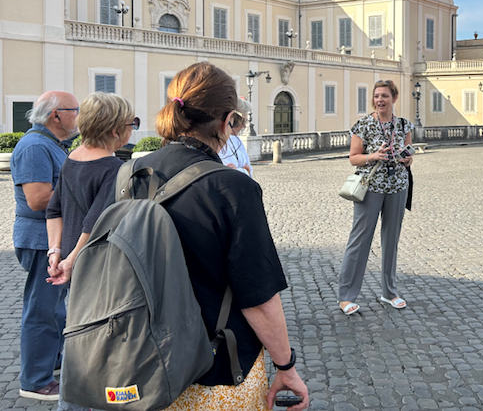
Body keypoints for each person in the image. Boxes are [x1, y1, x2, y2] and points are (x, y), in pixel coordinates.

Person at [119, 62, 308, 410]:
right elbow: (259, 297)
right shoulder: (233, 188)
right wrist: (286, 366)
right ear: (226, 122)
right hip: (214, 367)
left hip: (142, 361)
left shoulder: (130, 174)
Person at [44, 92, 137, 411]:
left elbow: (53, 209)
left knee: (77, 335)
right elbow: (94, 223)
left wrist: (55, 253)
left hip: (74, 268)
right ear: (114, 130)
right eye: (131, 124)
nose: (131, 131)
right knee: (98, 346)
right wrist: (69, 261)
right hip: (99, 270)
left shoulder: (72, 157)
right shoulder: (113, 167)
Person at [11, 91, 79, 401]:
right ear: (56, 115)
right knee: (43, 310)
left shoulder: (49, 144)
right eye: (75, 110)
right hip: (41, 240)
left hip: (48, 238)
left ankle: (50, 362)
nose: (79, 115)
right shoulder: (36, 146)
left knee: (54, 309)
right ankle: (35, 380)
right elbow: (39, 200)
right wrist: (84, 197)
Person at [338, 79, 414, 315]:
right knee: (360, 240)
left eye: (385, 96)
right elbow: (353, 157)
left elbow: (409, 149)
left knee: (391, 240)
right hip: (370, 187)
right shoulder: (363, 125)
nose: (380, 100)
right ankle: (346, 296)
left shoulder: (404, 125)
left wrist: (408, 158)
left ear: (394, 99)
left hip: (398, 186)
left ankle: (389, 292)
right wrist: (373, 156)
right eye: (377, 96)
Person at [219, 97, 252, 176]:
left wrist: (242, 171)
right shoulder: (219, 142)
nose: (244, 126)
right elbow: (228, 173)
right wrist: (244, 170)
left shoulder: (238, 141)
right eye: (243, 122)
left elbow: (249, 170)